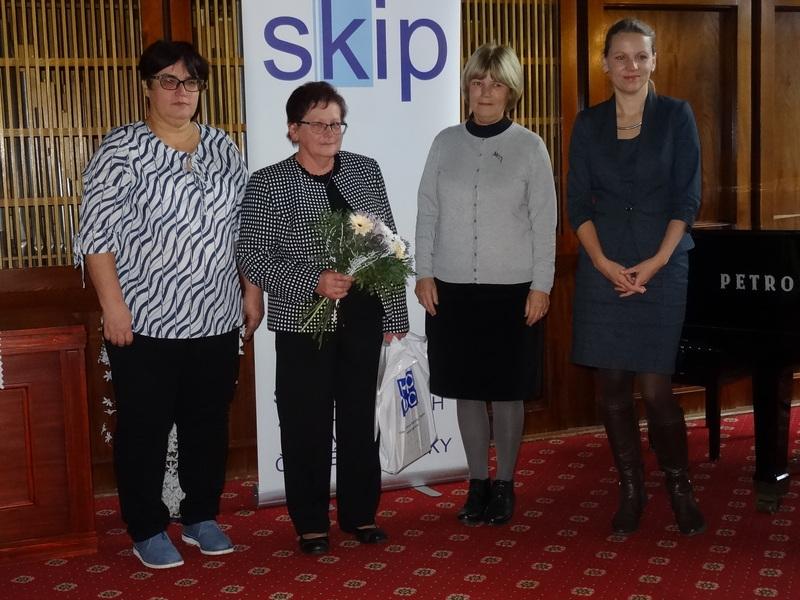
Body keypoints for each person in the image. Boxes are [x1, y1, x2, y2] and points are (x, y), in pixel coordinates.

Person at [74, 40, 264, 569]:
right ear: (147, 87)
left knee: (208, 422)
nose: (181, 92)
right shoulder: (121, 150)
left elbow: (244, 229)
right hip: (145, 320)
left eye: (191, 82)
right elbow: (96, 236)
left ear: (201, 90)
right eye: (168, 81)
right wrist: (113, 307)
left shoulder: (225, 148)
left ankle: (201, 516)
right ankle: (146, 525)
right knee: (145, 426)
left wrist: (251, 291)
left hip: (216, 315)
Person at [237, 81, 409, 555]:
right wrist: (312, 281)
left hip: (362, 317)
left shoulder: (365, 171)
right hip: (303, 322)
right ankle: (311, 523)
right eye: (318, 123)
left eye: (336, 122)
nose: (330, 132)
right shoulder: (268, 183)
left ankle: (360, 515)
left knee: (358, 421)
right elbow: (253, 255)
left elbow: (387, 248)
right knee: (305, 423)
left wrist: (394, 313)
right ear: (294, 130)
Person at [567, 18, 705, 536]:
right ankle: (631, 490)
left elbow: (686, 199)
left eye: (640, 57)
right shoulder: (589, 122)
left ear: (654, 61)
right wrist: (603, 264)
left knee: (657, 388)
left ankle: (679, 487)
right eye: (620, 57)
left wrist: (658, 260)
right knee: (611, 391)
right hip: (603, 267)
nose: (631, 66)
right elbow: (578, 201)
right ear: (604, 64)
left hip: (662, 266)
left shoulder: (676, 116)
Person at [415, 43, 557, 526]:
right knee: (468, 389)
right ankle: (477, 483)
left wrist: (542, 285)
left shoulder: (530, 147)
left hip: (513, 290)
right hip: (453, 289)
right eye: (478, 81)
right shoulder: (444, 142)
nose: (486, 91)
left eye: (496, 83)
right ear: (467, 87)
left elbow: (545, 222)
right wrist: (424, 271)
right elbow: (427, 211)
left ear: (511, 91)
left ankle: (505, 484)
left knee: (508, 389)